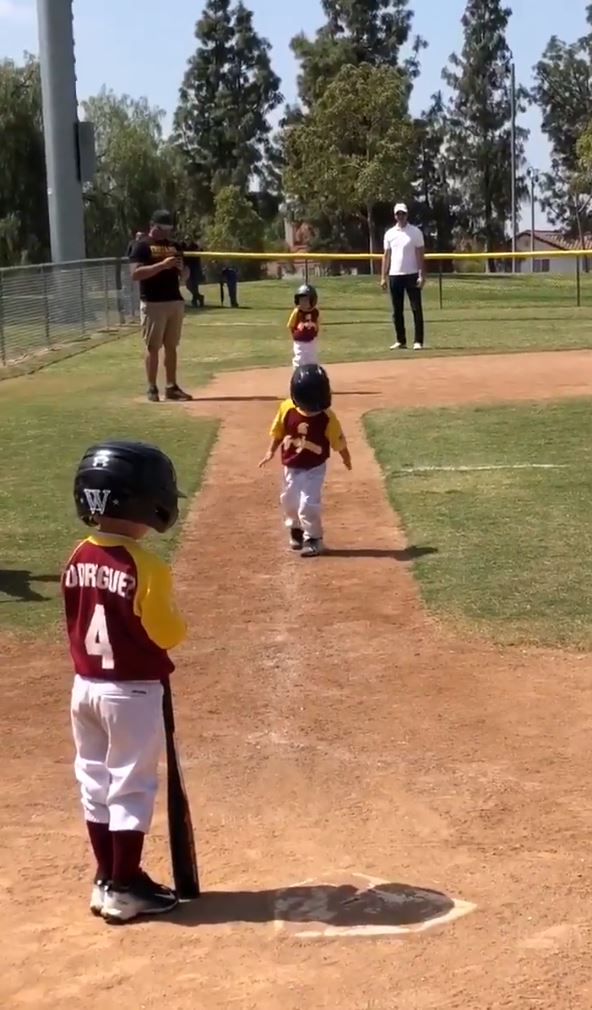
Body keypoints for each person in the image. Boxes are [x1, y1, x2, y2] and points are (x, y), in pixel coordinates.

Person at [62, 439, 187, 924]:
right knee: (131, 787)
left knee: (94, 781)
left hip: (85, 688)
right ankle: (125, 885)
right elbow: (165, 633)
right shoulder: (146, 565)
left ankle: (105, 877)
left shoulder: (78, 553)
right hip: (131, 692)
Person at [259, 364, 352, 557]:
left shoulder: (327, 417)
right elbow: (278, 432)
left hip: (314, 467)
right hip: (291, 465)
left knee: (308, 504)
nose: (312, 412)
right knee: (289, 500)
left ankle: (314, 538)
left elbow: (338, 440)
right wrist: (270, 451)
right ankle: (296, 529)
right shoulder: (287, 408)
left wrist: (346, 458)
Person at [129, 210, 192, 402]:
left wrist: (182, 270)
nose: (166, 233)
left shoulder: (174, 246)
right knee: (153, 347)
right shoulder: (142, 246)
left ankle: (171, 386)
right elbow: (135, 274)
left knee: (171, 346)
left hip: (174, 300)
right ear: (153, 226)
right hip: (153, 303)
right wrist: (162, 265)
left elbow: (185, 275)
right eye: (162, 228)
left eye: (168, 229)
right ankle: (152, 387)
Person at [380, 202, 426, 350]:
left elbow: (420, 255)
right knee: (397, 310)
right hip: (395, 275)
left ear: (407, 215)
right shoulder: (389, 234)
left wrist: (422, 274)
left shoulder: (415, 232)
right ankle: (401, 340)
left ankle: (418, 341)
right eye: (398, 214)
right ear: (395, 216)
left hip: (412, 275)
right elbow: (386, 256)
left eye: (403, 214)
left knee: (416, 309)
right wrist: (383, 277)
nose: (401, 216)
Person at [287, 284, 319, 368]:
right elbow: (291, 325)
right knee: (300, 358)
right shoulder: (297, 312)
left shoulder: (315, 312)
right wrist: (296, 336)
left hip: (311, 340)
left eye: (306, 300)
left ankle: (312, 373)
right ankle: (297, 373)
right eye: (301, 300)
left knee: (311, 358)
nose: (303, 303)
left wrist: (315, 333)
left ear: (312, 301)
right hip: (299, 341)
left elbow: (317, 324)